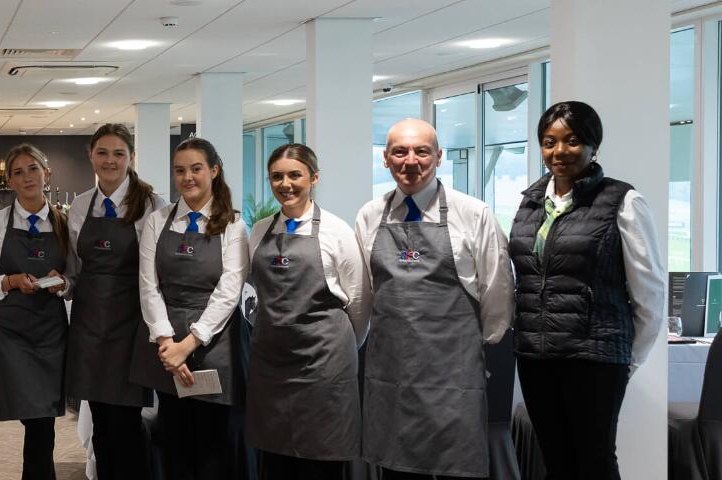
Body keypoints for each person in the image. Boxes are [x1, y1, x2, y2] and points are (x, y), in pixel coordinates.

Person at [508, 101, 663, 480]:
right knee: (555, 460)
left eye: (573, 141)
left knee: (594, 462)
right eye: (549, 142)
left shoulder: (622, 201)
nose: (559, 151)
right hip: (535, 355)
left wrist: (628, 359)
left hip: (595, 357)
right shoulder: (530, 202)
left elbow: (650, 293)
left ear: (594, 146)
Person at [354, 119, 514, 479]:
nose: (411, 161)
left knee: (456, 467)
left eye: (422, 151)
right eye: (400, 152)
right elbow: (365, 292)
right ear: (385, 159)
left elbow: (498, 295)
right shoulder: (369, 215)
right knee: (397, 471)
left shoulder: (473, 214)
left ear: (439, 156)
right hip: (390, 375)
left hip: (453, 376)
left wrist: (477, 352)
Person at [246, 143, 366, 480]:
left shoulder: (337, 232)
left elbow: (359, 302)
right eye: (277, 177)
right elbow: (251, 291)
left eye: (294, 175)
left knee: (321, 460)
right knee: (276, 461)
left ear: (314, 178)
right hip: (271, 365)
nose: (285, 184)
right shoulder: (259, 231)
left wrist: (338, 348)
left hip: (324, 366)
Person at [133, 137, 250, 479]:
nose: (187, 177)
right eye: (180, 170)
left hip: (215, 345)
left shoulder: (233, 224)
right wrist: (166, 343)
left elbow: (229, 291)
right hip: (167, 347)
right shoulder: (158, 221)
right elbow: (148, 285)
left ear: (214, 171)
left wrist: (188, 344)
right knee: (174, 442)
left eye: (196, 169)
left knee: (215, 446)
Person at [0, 144, 72, 480]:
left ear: (46, 174)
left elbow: (78, 280)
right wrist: (8, 281)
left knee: (43, 417)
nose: (27, 177)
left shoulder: (65, 225)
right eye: (18, 172)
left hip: (51, 332)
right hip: (11, 334)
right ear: (9, 180)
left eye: (33, 169)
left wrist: (64, 283)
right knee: (35, 416)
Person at [66, 123, 164, 479]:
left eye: (119, 153)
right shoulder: (80, 205)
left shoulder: (152, 205)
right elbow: (75, 269)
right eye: (103, 153)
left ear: (131, 157)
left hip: (131, 327)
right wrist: (60, 284)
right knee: (101, 425)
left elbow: (158, 273)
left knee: (126, 425)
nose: (110, 160)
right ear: (90, 156)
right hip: (89, 325)